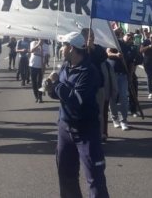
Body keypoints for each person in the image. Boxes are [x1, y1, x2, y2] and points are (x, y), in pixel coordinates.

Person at [45, 31, 109, 198]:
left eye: (63, 45)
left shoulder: (89, 71)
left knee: (95, 178)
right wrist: (50, 88)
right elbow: (61, 95)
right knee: (66, 174)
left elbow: (75, 99)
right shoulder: (66, 66)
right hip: (65, 128)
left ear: (71, 48)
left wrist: (57, 84)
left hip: (86, 131)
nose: (60, 49)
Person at [29, 38, 48, 103]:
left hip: (41, 66)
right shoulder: (33, 43)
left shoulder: (46, 45)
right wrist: (38, 44)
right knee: (34, 82)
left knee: (39, 82)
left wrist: (44, 66)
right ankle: (36, 96)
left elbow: (45, 56)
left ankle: (40, 97)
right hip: (33, 64)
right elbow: (32, 50)